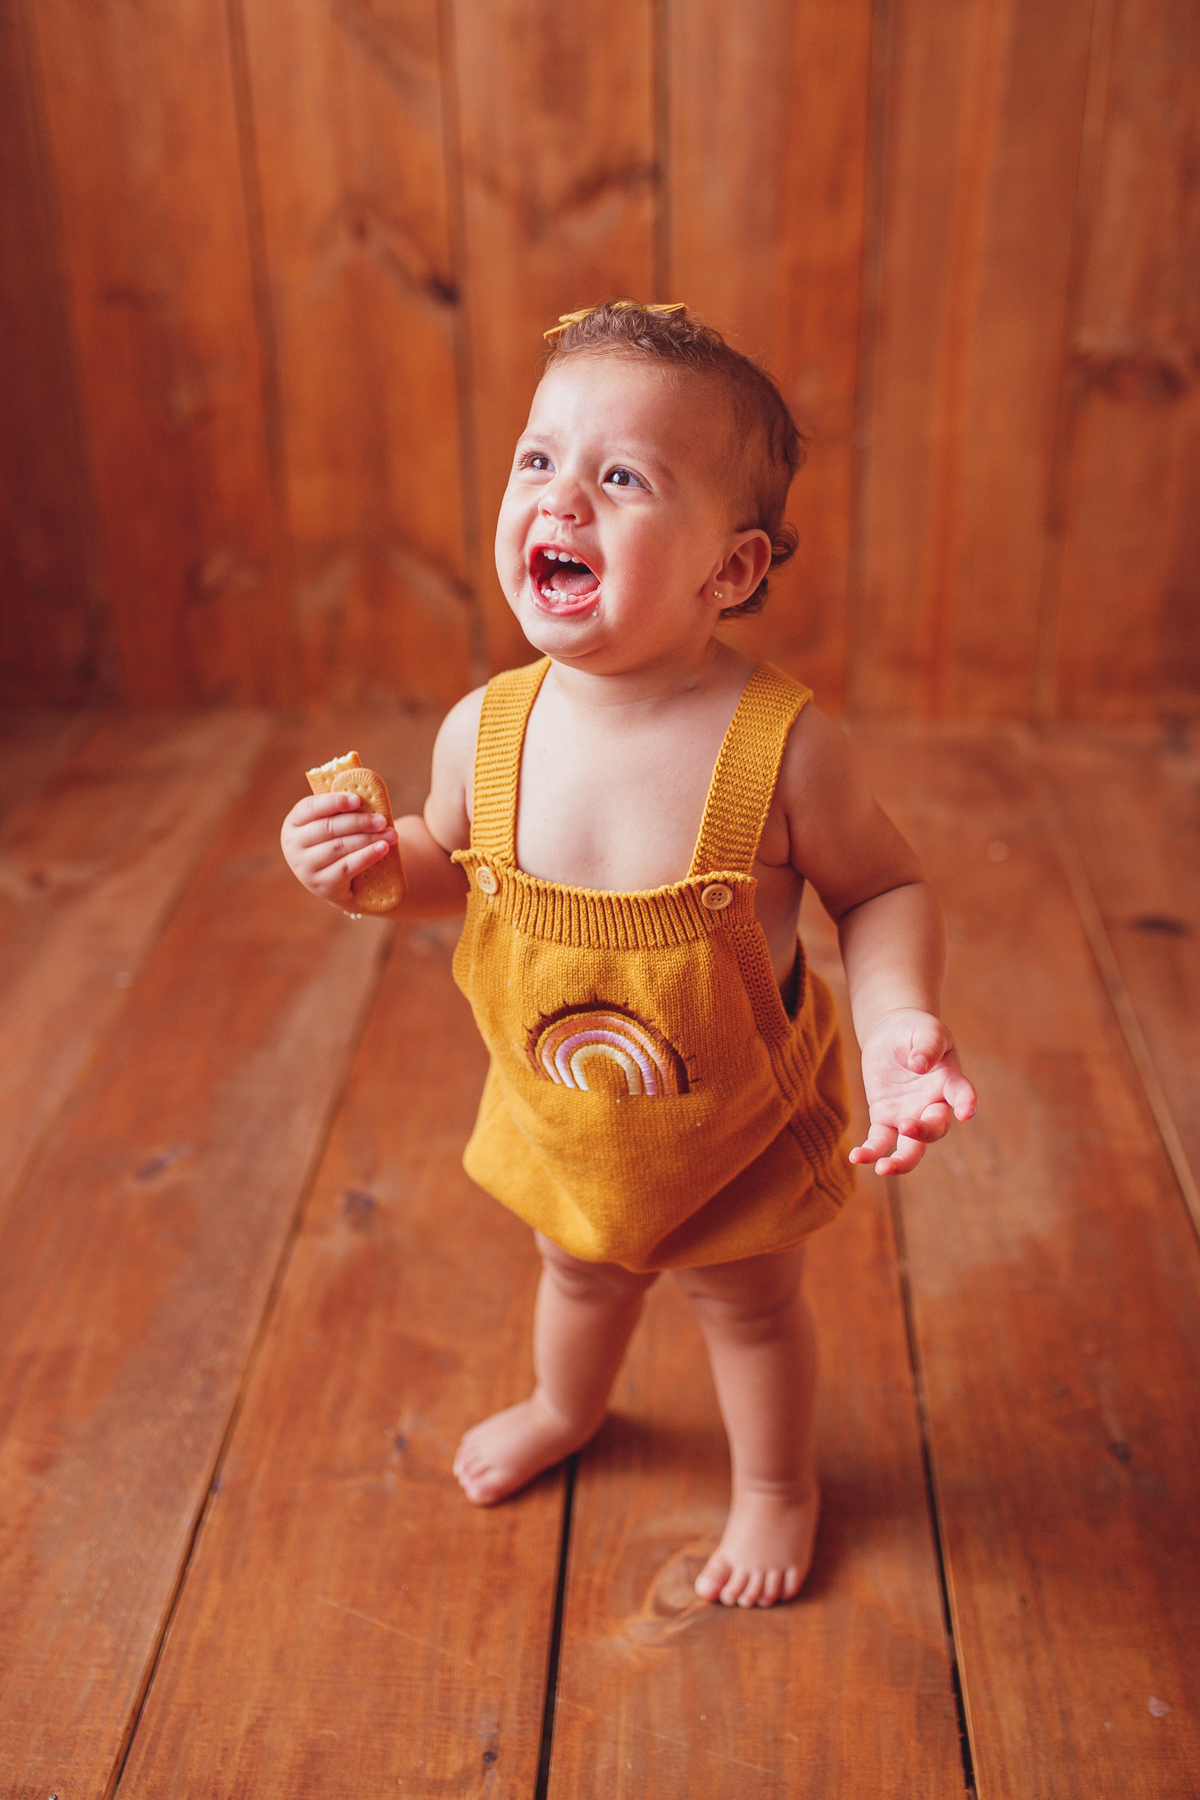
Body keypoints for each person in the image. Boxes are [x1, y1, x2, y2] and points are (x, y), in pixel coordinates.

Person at [281, 300, 977, 1610]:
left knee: (749, 1309)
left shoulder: (780, 748)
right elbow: (444, 863)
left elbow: (881, 887)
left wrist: (894, 1030)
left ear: (732, 568)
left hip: (736, 1131)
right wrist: (374, 871)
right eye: (540, 460)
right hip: (567, 1123)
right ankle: (564, 1403)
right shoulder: (484, 729)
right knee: (574, 1270)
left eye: (621, 478)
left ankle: (776, 1486)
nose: (561, 497)